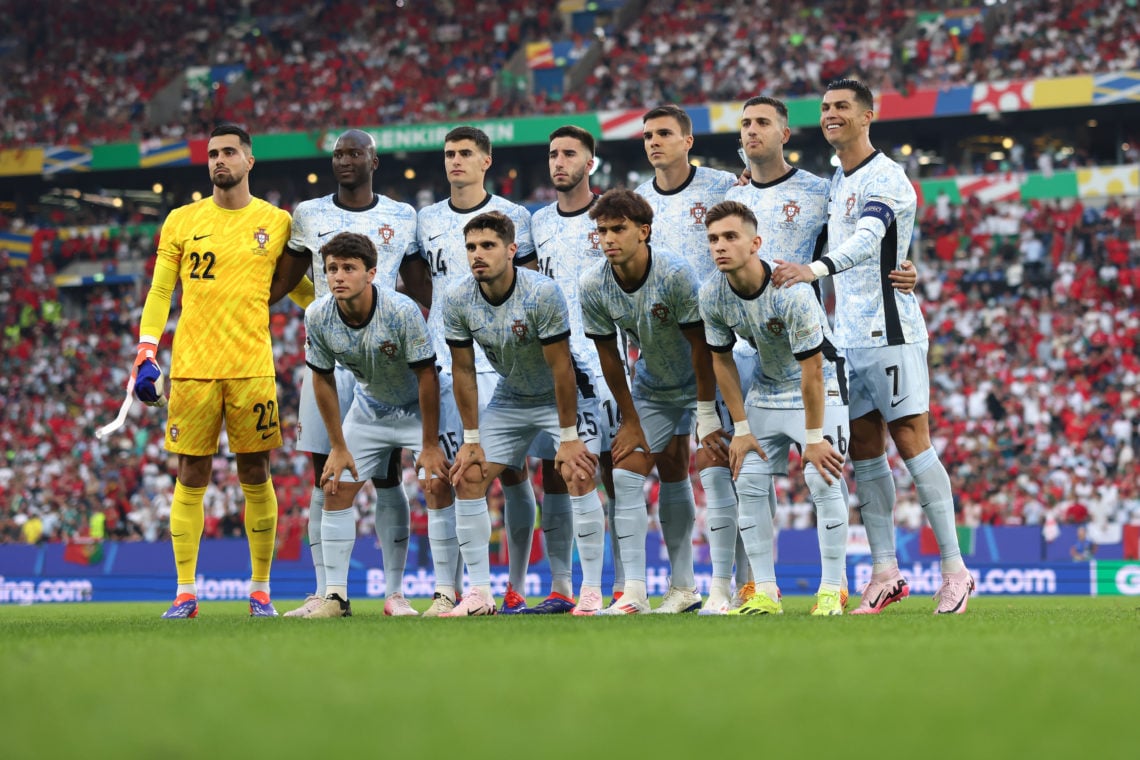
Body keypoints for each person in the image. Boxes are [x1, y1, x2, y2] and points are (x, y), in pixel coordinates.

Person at [771, 79, 974, 615]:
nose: (831, 114)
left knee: (911, 441)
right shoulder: (836, 180)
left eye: (842, 107)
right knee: (864, 453)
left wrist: (812, 270)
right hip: (846, 338)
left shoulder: (888, 177)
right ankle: (886, 572)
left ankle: (955, 570)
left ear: (867, 116)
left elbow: (869, 238)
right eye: (825, 108)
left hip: (893, 333)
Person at [725, 95, 918, 611]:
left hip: (807, 349)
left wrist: (905, 264)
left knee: (822, 471)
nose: (751, 132)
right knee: (742, 474)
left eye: (762, 122)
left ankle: (832, 587)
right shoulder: (729, 193)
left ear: (786, 134)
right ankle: (749, 587)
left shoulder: (821, 190)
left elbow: (871, 231)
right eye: (744, 124)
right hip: (744, 350)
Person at [130, 123, 307, 619]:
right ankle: (185, 592)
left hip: (252, 368)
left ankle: (261, 591)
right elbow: (161, 292)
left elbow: (297, 287)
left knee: (256, 472)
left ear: (250, 161)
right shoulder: (181, 221)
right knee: (191, 474)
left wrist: (341, 319)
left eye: (229, 152)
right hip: (191, 369)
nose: (219, 161)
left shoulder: (277, 223)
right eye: (212, 154)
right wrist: (147, 352)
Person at [284, 130, 432, 618]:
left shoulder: (402, 216)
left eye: (353, 153)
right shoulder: (307, 213)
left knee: (389, 476)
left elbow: (418, 291)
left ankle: (395, 593)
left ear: (374, 160)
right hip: (330, 353)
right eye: (337, 154)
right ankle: (328, 593)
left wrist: (413, 346)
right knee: (325, 476)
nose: (344, 161)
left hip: (385, 361)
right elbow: (283, 279)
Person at [443, 212, 604, 616]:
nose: (477, 254)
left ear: (512, 250)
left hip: (564, 393)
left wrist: (568, 437)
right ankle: (479, 595)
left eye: (488, 246)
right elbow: (463, 371)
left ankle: (590, 593)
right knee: (468, 476)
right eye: (471, 247)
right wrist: (472, 441)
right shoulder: (458, 298)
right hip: (512, 397)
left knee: (578, 472)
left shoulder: (541, 293)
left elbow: (561, 367)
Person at [580, 189, 729, 615]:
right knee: (626, 475)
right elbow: (609, 355)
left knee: (715, 475)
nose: (608, 238)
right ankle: (637, 593)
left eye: (619, 229)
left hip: (705, 382)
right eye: (602, 230)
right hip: (651, 387)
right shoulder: (594, 283)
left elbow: (702, 347)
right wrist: (629, 418)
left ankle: (720, 589)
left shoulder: (675, 273)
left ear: (643, 231)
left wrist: (704, 413)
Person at [700, 201, 850, 615]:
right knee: (747, 483)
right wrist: (742, 427)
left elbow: (814, 370)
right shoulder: (712, 293)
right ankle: (764, 591)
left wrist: (814, 438)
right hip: (766, 389)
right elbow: (721, 359)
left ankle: (831, 590)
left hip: (822, 386)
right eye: (713, 239)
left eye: (730, 237)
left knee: (823, 479)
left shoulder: (792, 293)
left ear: (755, 243)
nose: (720, 246)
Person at [417, 126, 540, 614]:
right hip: (445, 362)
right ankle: (448, 590)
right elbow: (415, 281)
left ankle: (513, 584)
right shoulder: (424, 219)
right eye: (449, 154)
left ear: (486, 160)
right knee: (447, 475)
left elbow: (528, 285)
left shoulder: (516, 217)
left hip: (503, 360)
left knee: (513, 472)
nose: (455, 161)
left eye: (466, 153)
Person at [636, 104, 750, 612]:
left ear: (688, 141)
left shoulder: (728, 187)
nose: (653, 142)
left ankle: (746, 586)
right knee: (670, 469)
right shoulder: (638, 202)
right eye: (647, 135)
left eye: (664, 133)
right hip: (661, 358)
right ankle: (682, 587)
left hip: (721, 349)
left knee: (729, 467)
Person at [302, 232, 452, 619]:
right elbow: (322, 379)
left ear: (371, 273)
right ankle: (335, 598)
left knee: (437, 485)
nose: (338, 276)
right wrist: (338, 445)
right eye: (332, 268)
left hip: (417, 409)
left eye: (348, 268)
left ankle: (445, 594)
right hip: (369, 408)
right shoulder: (317, 315)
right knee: (334, 487)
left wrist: (430, 443)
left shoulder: (400, 310)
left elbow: (426, 377)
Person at [526, 125, 620, 613]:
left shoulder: (611, 216)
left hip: (609, 361)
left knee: (616, 471)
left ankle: (627, 587)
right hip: (553, 365)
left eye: (569, 154)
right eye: (552, 153)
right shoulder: (536, 223)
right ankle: (562, 587)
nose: (558, 162)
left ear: (590, 163)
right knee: (556, 474)